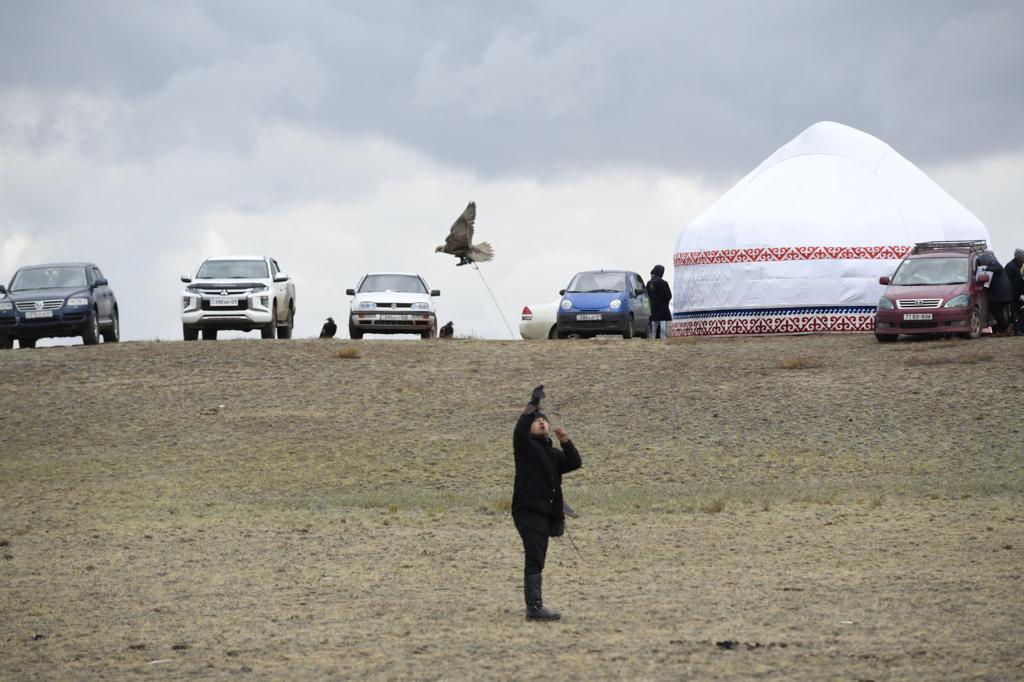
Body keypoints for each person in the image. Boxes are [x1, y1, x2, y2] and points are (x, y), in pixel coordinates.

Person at [512, 384, 582, 621]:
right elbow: (519, 432)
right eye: (537, 421)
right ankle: (534, 608)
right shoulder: (526, 448)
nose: (542, 423)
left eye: (544, 421)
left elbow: (574, 463)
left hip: (544, 513)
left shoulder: (551, 453)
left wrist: (566, 442)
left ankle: (535, 606)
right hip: (528, 511)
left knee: (538, 556)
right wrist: (532, 405)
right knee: (535, 557)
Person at [977, 250, 1013, 333]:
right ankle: (1002, 329)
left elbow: (998, 269)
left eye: (981, 262)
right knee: (999, 311)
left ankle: (1007, 327)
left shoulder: (992, 262)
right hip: (1004, 293)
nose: (982, 263)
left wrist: (986, 268)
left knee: (994, 309)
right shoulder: (992, 263)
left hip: (1001, 293)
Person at [646, 264, 672, 339]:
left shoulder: (649, 283)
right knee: (663, 324)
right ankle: (663, 338)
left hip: (653, 307)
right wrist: (665, 302)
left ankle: (653, 338)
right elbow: (668, 296)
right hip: (662, 307)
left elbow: (647, 295)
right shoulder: (663, 283)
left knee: (654, 325)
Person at [1005, 248, 1024, 336]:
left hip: (1021, 292)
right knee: (1014, 313)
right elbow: (1006, 281)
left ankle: (1020, 329)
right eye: (1023, 256)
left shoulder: (1022, 265)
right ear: (1019, 257)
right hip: (1013, 293)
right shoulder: (1010, 267)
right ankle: (1016, 330)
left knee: (1022, 311)